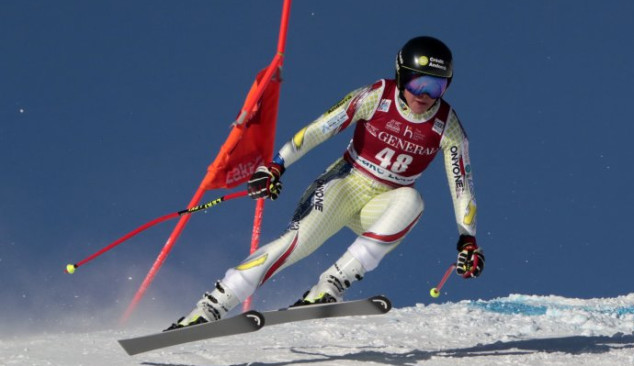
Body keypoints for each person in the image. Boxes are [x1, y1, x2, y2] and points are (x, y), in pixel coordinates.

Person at [169, 36, 484, 329]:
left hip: (381, 206)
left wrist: (467, 239)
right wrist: (276, 166)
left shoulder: (447, 125)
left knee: (413, 202)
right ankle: (209, 308)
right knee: (292, 246)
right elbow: (320, 128)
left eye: (437, 87)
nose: (425, 96)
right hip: (345, 185)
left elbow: (462, 183)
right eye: (419, 83)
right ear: (402, 77)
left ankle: (329, 286)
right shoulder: (376, 96)